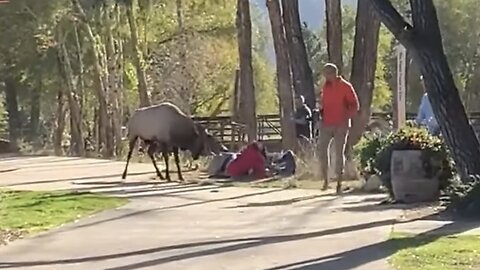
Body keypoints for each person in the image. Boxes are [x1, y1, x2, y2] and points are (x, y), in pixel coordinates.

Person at [318, 63, 359, 193]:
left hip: (341, 124)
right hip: (327, 123)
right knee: (322, 149)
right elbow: (324, 104)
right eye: (325, 74)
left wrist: (346, 118)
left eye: (327, 74)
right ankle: (326, 180)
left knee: (339, 152)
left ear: (334, 73)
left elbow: (354, 105)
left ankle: (339, 183)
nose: (326, 77)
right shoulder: (326, 87)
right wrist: (320, 114)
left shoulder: (345, 86)